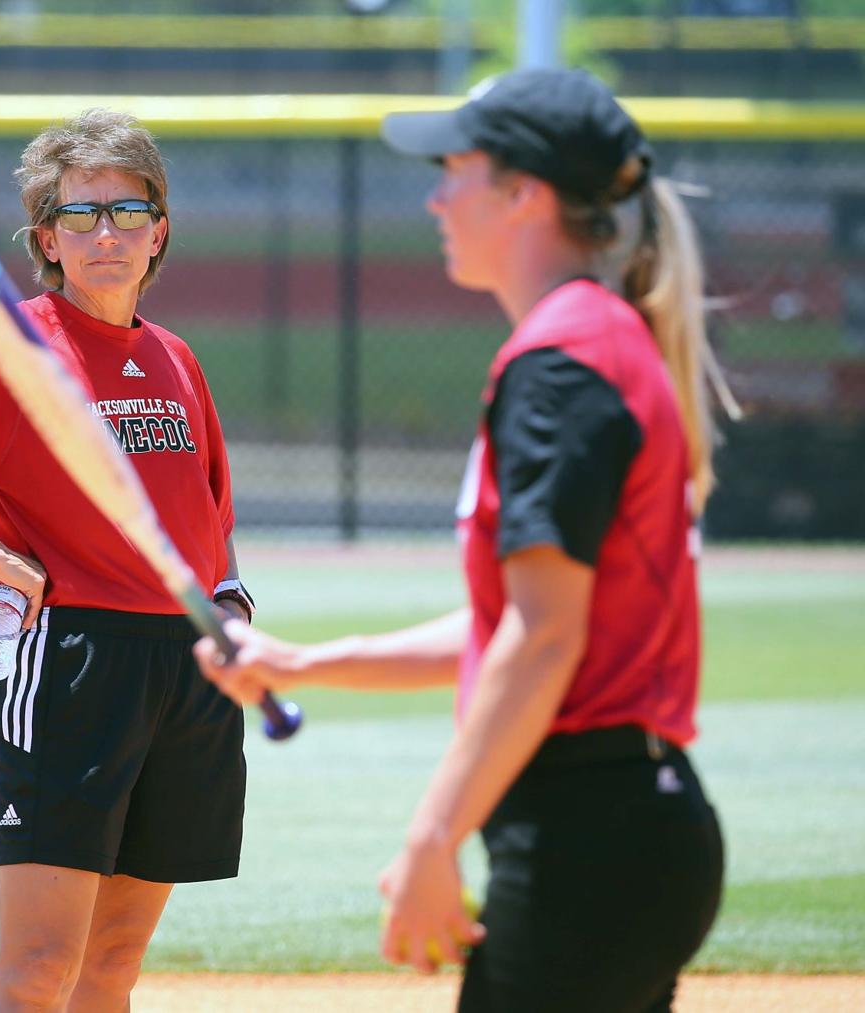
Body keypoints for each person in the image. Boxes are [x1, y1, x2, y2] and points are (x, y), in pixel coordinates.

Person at [196, 68, 733, 1012]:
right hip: (629, 829)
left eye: (457, 169)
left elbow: (546, 638)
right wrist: (308, 660)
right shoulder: (597, 339)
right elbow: (518, 623)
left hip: (587, 835)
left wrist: (433, 836)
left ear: (525, 193)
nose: (437, 196)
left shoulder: (561, 364)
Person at [0, 108, 254, 1012]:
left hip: (186, 666)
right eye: (80, 214)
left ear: (160, 233)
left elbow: (208, 518)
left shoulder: (175, 358)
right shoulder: (14, 347)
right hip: (72, 660)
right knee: (38, 973)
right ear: (48, 240)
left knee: (112, 968)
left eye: (128, 213)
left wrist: (233, 609)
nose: (107, 233)